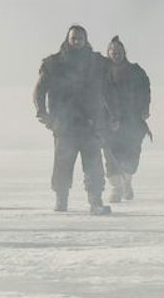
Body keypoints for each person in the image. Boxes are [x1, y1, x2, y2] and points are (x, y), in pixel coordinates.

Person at [33, 24, 113, 215]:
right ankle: (61, 200)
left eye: (80, 38)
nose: (77, 41)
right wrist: (43, 113)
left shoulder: (97, 63)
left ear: (85, 40)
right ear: (68, 39)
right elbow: (39, 90)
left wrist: (111, 116)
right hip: (65, 124)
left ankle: (95, 202)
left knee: (94, 165)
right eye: (73, 38)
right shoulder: (53, 64)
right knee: (63, 164)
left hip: (91, 124)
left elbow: (110, 91)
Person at [102, 35, 151, 202]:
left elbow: (145, 90)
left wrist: (145, 108)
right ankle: (116, 188)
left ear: (124, 52)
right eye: (113, 51)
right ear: (108, 52)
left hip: (132, 120)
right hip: (109, 121)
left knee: (131, 154)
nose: (116, 54)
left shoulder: (136, 71)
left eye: (119, 51)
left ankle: (127, 181)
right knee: (110, 154)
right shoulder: (101, 72)